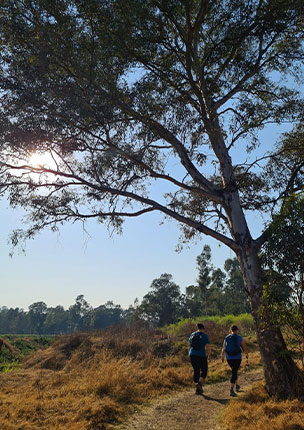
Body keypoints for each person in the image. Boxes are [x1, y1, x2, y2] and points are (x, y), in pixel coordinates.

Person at [221, 325, 249, 397]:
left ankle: (237, 386)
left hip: (229, 358)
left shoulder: (226, 337)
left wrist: (222, 356)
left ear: (231, 330)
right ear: (236, 330)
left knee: (234, 371)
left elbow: (223, 347)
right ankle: (231, 389)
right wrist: (247, 354)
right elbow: (244, 346)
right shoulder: (239, 337)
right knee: (234, 372)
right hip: (237, 357)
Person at [188, 323, 211, 394]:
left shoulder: (192, 334)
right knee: (204, 370)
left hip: (192, 354)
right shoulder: (204, 336)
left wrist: (189, 354)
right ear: (203, 328)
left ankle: (197, 388)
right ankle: (199, 383)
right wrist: (209, 355)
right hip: (201, 355)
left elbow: (189, 345)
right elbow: (207, 346)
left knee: (196, 370)